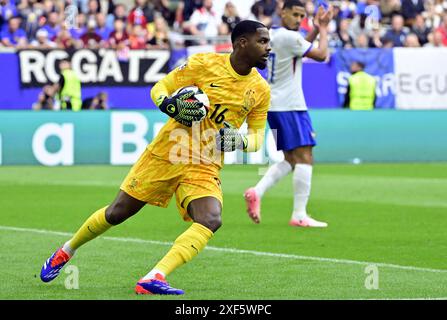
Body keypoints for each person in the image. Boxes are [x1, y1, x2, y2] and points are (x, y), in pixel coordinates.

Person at [40, 20, 271, 295]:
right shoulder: (203, 64)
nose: (268, 48)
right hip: (167, 154)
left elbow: (257, 137)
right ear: (242, 43)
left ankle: (154, 276)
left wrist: (241, 140)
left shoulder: (260, 90)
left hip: (205, 163)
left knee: (211, 219)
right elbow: (161, 87)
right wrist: (168, 104)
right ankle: (66, 251)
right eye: (263, 41)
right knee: (117, 213)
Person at [244, 0, 332, 227]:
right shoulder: (289, 37)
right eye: (295, 14)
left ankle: (257, 191)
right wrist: (323, 28)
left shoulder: (273, 35)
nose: (299, 19)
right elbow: (321, 55)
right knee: (305, 156)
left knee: (291, 159)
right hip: (291, 105)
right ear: (282, 12)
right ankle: (300, 214)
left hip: (275, 104)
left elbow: (300, 47)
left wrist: (313, 30)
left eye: (302, 16)